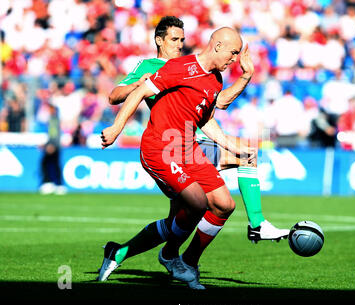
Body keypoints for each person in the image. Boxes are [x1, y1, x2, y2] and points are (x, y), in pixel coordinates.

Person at [100, 25, 255, 290]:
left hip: (188, 148)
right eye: (232, 53)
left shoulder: (215, 79)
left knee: (224, 204)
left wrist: (230, 143)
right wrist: (116, 128)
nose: (234, 59)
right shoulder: (177, 67)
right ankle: (171, 256)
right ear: (217, 46)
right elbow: (136, 92)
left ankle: (184, 260)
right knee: (195, 203)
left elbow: (205, 118)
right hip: (160, 149)